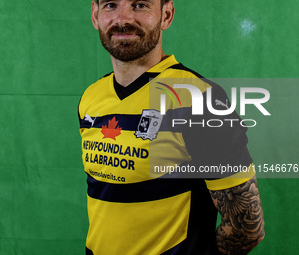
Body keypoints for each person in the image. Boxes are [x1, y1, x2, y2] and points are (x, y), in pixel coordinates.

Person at [78, 0, 265, 254]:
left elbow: (246, 226)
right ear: (95, 15)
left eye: (139, 5)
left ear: (166, 15)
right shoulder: (91, 97)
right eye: (111, 5)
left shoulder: (200, 99)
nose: (123, 18)